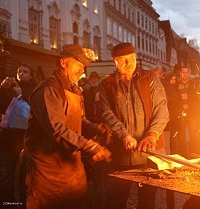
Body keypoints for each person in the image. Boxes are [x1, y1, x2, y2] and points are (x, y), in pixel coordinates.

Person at [24, 44, 111, 209]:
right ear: (63, 62)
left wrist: (95, 128)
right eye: (78, 64)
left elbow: (79, 121)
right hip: (47, 172)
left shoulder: (74, 90)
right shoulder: (48, 90)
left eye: (83, 66)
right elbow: (57, 129)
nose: (82, 70)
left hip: (72, 167)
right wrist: (90, 146)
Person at [94, 42, 169, 209]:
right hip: (121, 156)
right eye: (122, 60)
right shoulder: (107, 85)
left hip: (150, 155)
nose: (128, 64)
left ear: (135, 58)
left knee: (147, 202)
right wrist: (124, 135)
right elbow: (107, 114)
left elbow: (161, 109)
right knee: (116, 200)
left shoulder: (150, 79)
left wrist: (152, 135)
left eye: (131, 59)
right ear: (114, 61)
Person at [0, 63, 38, 204]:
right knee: (5, 174)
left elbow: (32, 110)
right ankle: (7, 202)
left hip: (24, 139)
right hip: (7, 138)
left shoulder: (35, 89)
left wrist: (21, 94)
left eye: (25, 72)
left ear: (31, 74)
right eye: (19, 71)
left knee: (25, 175)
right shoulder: (11, 88)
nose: (21, 74)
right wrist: (2, 90)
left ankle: (24, 202)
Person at [176, 66, 200, 158]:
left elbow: (196, 100)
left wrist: (195, 111)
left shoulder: (193, 84)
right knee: (181, 135)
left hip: (191, 113)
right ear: (181, 73)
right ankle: (182, 155)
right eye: (183, 72)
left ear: (189, 73)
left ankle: (193, 153)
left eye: (187, 72)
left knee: (193, 134)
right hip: (181, 113)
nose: (185, 74)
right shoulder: (177, 85)